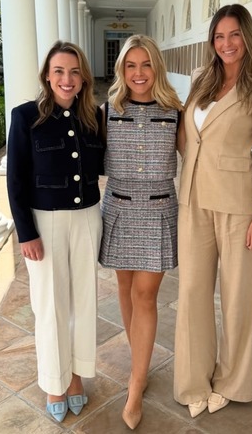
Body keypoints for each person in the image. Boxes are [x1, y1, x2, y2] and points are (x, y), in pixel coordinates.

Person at [173, 4, 252, 417]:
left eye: (234, 34)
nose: (226, 44)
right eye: (219, 36)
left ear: (247, 37)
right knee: (192, 293)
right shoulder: (201, 79)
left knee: (237, 297)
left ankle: (232, 381)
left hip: (239, 206)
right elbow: (189, 135)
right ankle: (193, 381)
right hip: (193, 200)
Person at [6, 41, 105, 423]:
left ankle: (76, 375)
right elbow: (15, 179)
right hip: (44, 223)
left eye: (74, 72)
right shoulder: (25, 116)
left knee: (83, 301)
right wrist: (26, 232)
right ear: (47, 76)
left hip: (87, 218)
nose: (67, 79)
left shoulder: (93, 117)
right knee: (49, 304)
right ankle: (53, 381)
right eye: (59, 71)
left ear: (83, 78)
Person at [98, 34, 183, 430]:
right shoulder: (107, 111)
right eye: (130, 65)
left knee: (145, 295)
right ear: (122, 70)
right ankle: (140, 364)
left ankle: (135, 385)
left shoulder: (175, 111)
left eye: (145, 64)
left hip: (158, 210)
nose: (138, 73)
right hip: (118, 207)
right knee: (125, 288)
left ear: (156, 68)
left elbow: (198, 157)